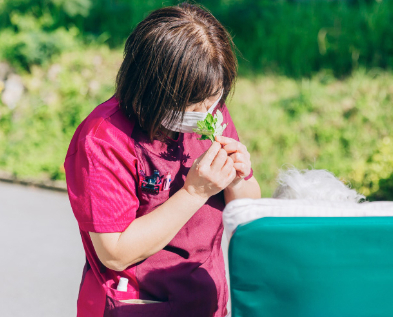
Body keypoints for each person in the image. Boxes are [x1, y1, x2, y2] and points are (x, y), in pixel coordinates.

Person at [64, 3, 261, 317]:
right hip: (135, 305)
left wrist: (240, 176)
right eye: (195, 103)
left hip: (205, 299)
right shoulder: (105, 138)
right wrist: (194, 193)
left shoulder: (208, 110)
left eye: (216, 98)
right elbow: (115, 252)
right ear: (153, 90)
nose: (207, 113)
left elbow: (248, 211)